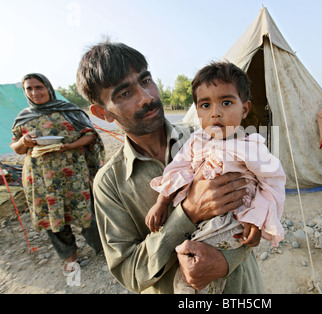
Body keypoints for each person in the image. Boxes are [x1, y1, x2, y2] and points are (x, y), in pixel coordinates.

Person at [76, 41, 265, 294]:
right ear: (103, 113)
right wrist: (187, 214)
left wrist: (224, 261)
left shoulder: (211, 138)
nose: (147, 97)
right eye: (125, 94)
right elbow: (129, 271)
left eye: (145, 81)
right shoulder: (110, 183)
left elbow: (253, 202)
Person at [146, 62, 286, 294]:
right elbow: (177, 167)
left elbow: (272, 183)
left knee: (196, 271)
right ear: (197, 111)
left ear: (245, 108)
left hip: (234, 220)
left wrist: (257, 218)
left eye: (227, 102)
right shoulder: (195, 142)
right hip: (197, 222)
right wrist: (162, 201)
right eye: (205, 105)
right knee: (191, 271)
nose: (215, 112)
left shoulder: (252, 146)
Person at [10, 73, 105, 274]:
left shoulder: (68, 111)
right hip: (40, 179)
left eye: (39, 87)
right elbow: (16, 147)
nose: (35, 92)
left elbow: (90, 135)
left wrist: (70, 145)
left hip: (74, 175)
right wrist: (23, 142)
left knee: (86, 212)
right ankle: (69, 256)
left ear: (49, 88)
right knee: (52, 218)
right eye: (29, 89)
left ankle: (103, 248)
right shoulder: (24, 117)